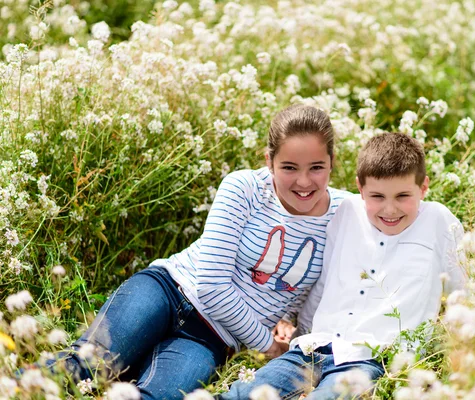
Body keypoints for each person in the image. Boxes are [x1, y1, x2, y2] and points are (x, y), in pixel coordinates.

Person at [31, 104, 350, 399]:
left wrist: (300, 339)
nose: (304, 182)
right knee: (85, 365)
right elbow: (211, 287)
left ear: (333, 163)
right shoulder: (244, 188)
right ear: (269, 161)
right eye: (290, 167)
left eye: (317, 167)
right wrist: (269, 346)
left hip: (211, 338)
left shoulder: (345, 215)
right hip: (168, 291)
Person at [220, 132, 467, 400]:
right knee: (242, 394)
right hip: (313, 348)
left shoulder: (439, 221)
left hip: (372, 358)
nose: (390, 209)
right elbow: (325, 283)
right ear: (360, 188)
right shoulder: (348, 211)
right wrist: (299, 333)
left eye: (402, 196)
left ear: (423, 188)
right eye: (377, 196)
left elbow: (463, 296)